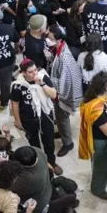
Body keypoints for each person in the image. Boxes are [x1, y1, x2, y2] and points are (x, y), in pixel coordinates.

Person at [10, 59, 61, 173]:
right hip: (28, 119)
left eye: (35, 70)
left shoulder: (43, 77)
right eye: (30, 72)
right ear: (23, 73)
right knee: (34, 143)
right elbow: (15, 104)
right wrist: (17, 120)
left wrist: (42, 84)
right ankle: (39, 163)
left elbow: (53, 95)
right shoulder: (18, 85)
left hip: (45, 115)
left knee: (49, 141)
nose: (34, 74)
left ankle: (51, 162)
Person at [79, 72, 107, 200]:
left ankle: (104, 177)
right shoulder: (97, 109)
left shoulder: (102, 97)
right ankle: (97, 189)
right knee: (101, 165)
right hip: (101, 142)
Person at [46, 25, 81, 157]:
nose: (48, 40)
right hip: (58, 89)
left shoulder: (65, 56)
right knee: (60, 117)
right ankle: (62, 132)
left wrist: (48, 82)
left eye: (50, 38)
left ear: (59, 39)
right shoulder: (58, 49)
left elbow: (65, 79)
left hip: (63, 93)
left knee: (62, 118)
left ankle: (68, 143)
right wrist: (49, 58)